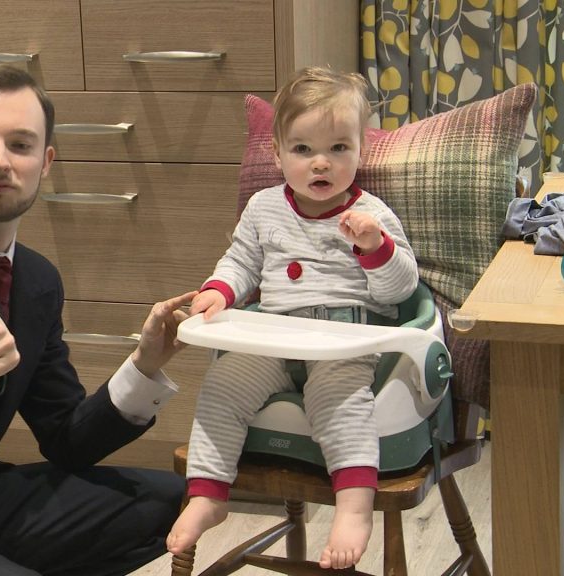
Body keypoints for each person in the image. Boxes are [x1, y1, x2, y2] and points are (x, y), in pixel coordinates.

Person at [0, 63, 197, 576]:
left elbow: (67, 440)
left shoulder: (38, 282)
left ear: (45, 161)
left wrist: (144, 365)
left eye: (20, 145)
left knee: (172, 502)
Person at [165, 67, 419, 570]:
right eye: (302, 150)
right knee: (222, 386)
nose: (320, 162)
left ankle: (353, 506)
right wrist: (220, 290)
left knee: (340, 404)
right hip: (274, 338)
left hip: (343, 340)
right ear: (277, 155)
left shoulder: (372, 214)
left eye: (338, 149)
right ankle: (210, 493)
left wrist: (375, 248)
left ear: (360, 152)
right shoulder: (264, 209)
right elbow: (240, 261)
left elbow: (401, 291)